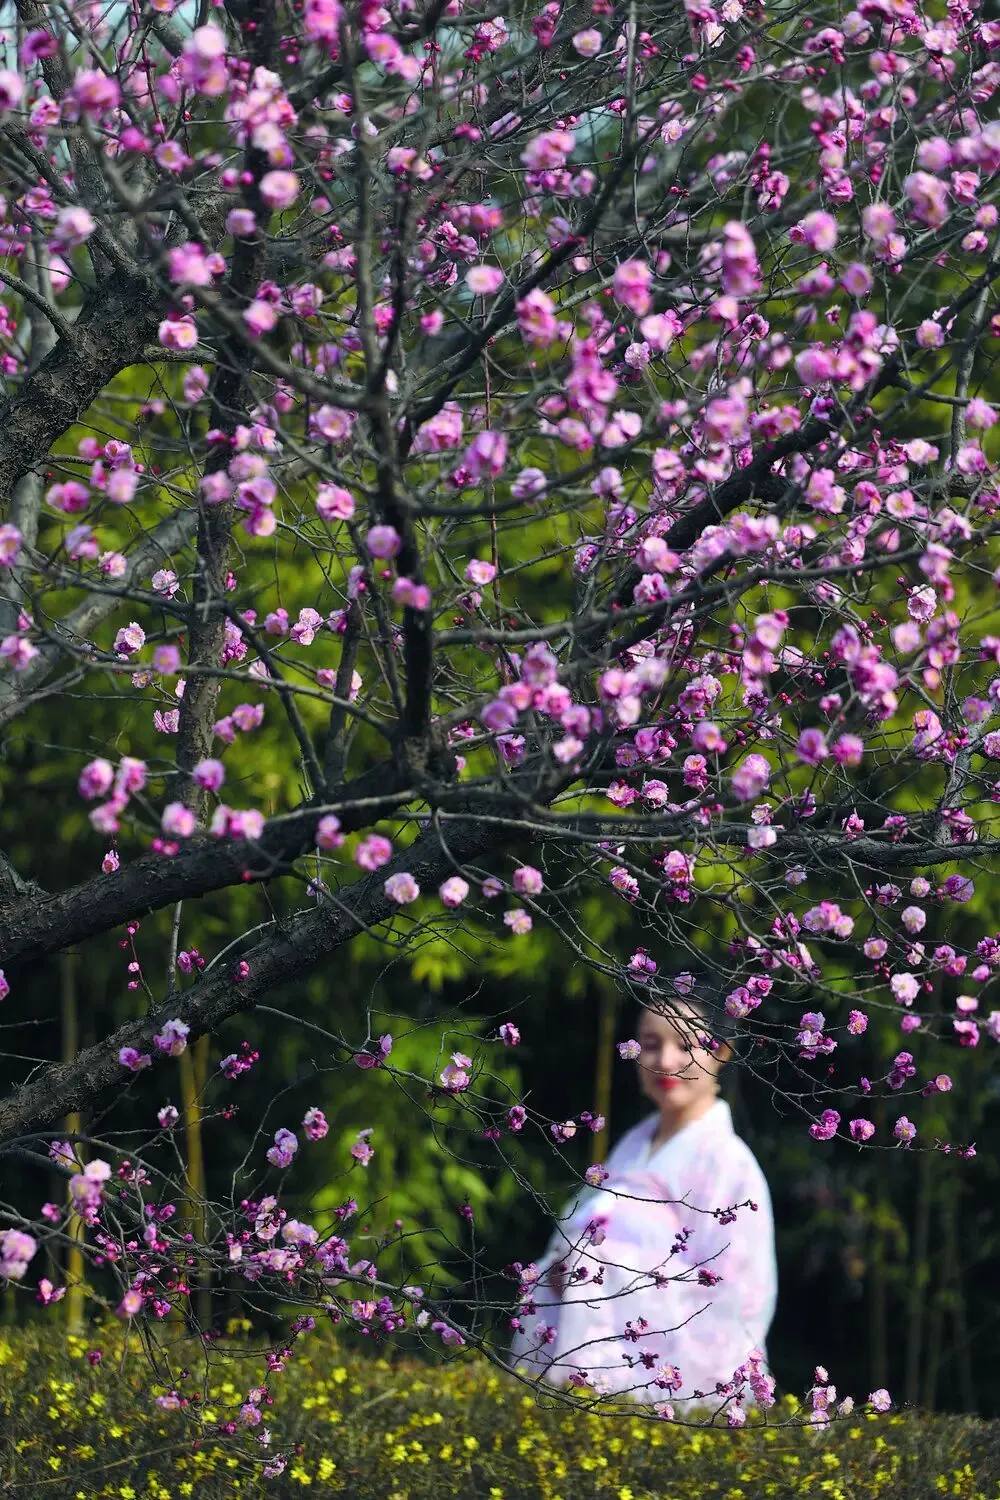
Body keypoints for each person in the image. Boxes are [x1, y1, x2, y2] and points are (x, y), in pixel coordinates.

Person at [508, 970, 777, 1410]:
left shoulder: (729, 1163)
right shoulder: (633, 1145)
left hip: (661, 1380)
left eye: (687, 1045)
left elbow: (736, 1296)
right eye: (651, 1045)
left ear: (721, 1052)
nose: (665, 1061)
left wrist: (615, 1266)